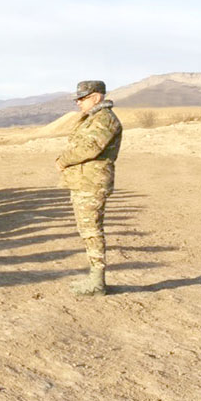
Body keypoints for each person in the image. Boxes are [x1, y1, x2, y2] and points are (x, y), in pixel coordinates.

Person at [55, 80, 123, 296]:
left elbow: (90, 148)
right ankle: (95, 278)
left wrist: (63, 160)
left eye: (82, 98)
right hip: (84, 181)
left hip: (92, 183)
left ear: (96, 97)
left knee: (92, 230)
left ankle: (97, 282)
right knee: (87, 230)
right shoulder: (92, 118)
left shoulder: (104, 119)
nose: (78, 102)